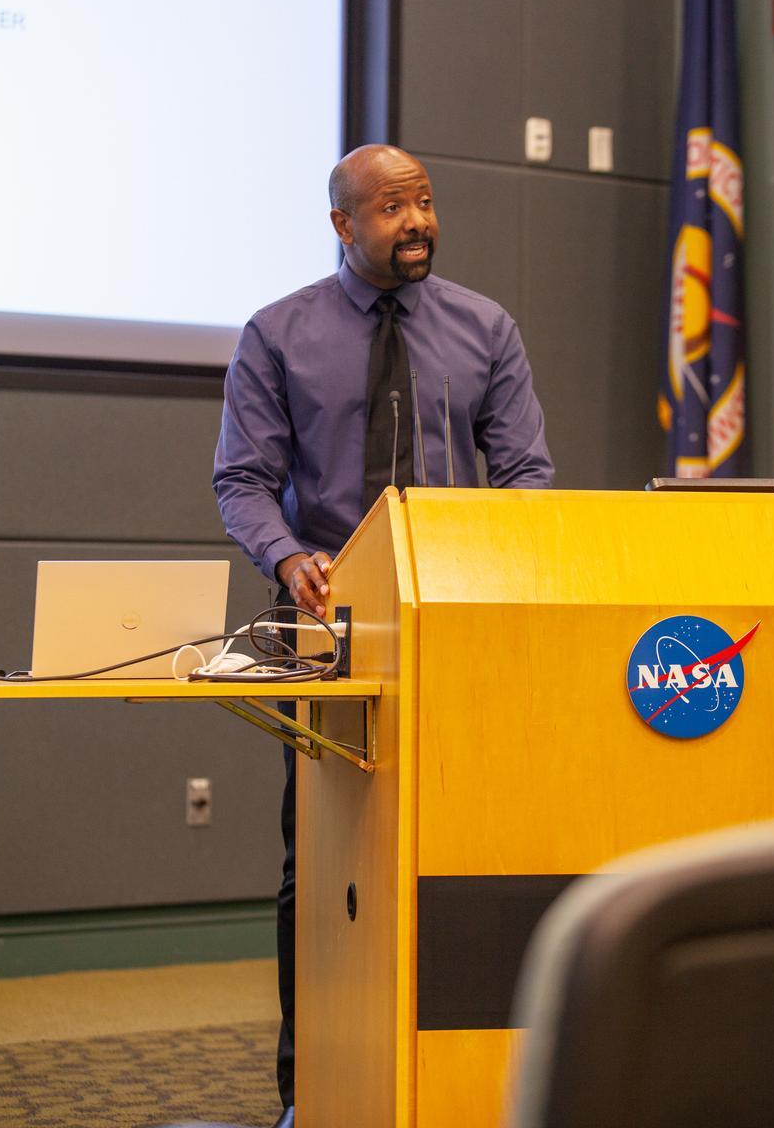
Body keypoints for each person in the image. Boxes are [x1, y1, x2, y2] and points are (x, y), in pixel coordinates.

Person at [213, 144, 554, 1128]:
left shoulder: (484, 327)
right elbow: (242, 480)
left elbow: (526, 473)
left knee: (464, 855)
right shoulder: (277, 334)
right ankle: (307, 1088)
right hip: (328, 632)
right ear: (342, 224)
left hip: (456, 631)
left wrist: (486, 553)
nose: (418, 222)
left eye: (427, 204)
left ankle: (458, 1084)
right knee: (318, 869)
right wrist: (288, 559)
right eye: (394, 208)